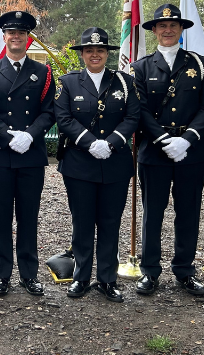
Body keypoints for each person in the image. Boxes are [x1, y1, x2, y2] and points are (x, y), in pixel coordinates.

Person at [130, 4, 204, 297]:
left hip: (191, 152)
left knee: (188, 212)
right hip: (154, 152)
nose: (168, 30)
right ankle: (150, 272)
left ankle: (185, 271)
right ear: (154, 30)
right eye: (162, 25)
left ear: (181, 29)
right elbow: (138, 111)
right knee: (153, 212)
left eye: (173, 25)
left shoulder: (199, 64)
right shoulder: (140, 67)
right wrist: (165, 141)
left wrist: (188, 138)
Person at [54, 28, 140, 302]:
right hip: (79, 163)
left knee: (110, 222)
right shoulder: (68, 83)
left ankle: (107, 279)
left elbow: (133, 116)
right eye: (89, 50)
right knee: (82, 222)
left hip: (115, 163)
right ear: (82, 54)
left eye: (100, 50)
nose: (95, 54)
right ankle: (80, 277)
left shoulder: (124, 82)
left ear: (107, 54)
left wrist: (112, 142)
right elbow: (63, 118)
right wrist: (90, 142)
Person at [0, 10, 54, 296]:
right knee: (0, 217)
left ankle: (29, 274)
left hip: (31, 156)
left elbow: (49, 112)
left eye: (21, 33)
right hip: (0, 155)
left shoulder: (43, 73)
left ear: (28, 38)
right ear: (4, 37)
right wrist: (7, 135)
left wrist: (30, 135)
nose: (16, 37)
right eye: (11, 33)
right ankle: (2, 273)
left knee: (28, 216)